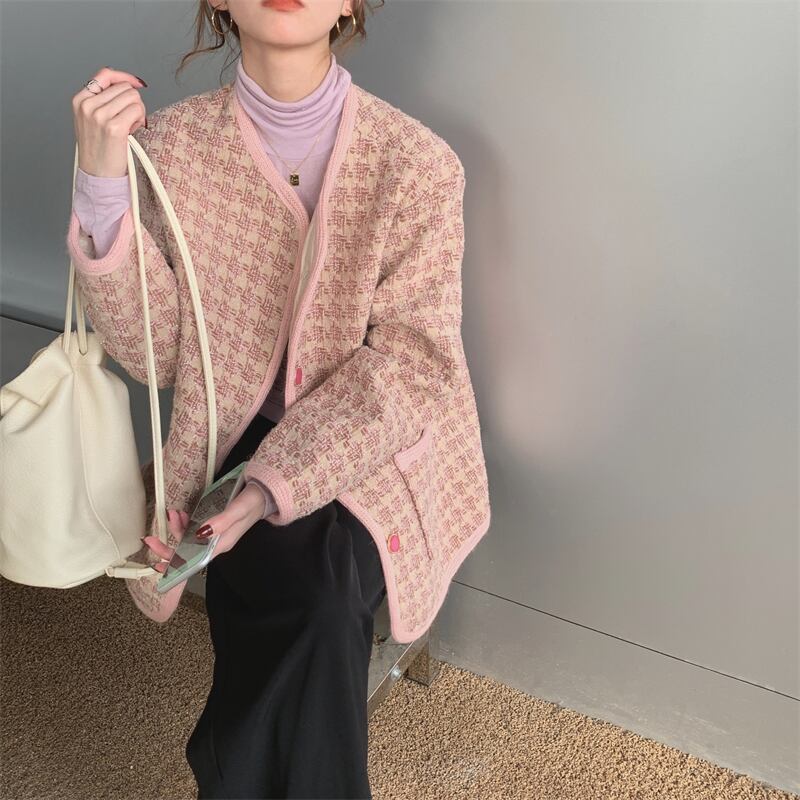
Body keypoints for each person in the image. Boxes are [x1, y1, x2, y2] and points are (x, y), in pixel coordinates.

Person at [66, 1, 492, 798]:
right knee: (308, 597)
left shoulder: (416, 165)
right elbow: (154, 352)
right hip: (234, 434)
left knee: (314, 588)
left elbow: (409, 367)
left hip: (376, 447)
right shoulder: (171, 149)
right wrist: (100, 184)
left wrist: (269, 488)